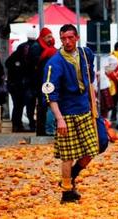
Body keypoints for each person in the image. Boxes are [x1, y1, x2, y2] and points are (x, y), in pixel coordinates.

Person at [42, 24, 99, 203]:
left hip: (84, 110)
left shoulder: (86, 53)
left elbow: (90, 77)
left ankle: (72, 176)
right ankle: (66, 192)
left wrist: (93, 103)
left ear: (77, 38)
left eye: (70, 38)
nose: (67, 42)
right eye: (63, 38)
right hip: (66, 113)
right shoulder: (54, 63)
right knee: (68, 155)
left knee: (92, 149)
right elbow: (51, 93)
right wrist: (59, 119)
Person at [5, 30, 37, 132]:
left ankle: (17, 125)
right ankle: (30, 124)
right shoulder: (35, 48)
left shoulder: (18, 51)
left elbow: (8, 64)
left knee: (18, 106)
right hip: (27, 83)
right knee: (29, 105)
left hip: (16, 84)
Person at [30, 27, 57, 136]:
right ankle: (45, 130)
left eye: (51, 36)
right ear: (43, 37)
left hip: (44, 81)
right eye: (48, 37)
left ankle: (44, 130)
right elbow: (35, 64)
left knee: (45, 105)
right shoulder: (38, 48)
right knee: (45, 105)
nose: (51, 39)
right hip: (41, 81)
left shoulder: (47, 48)